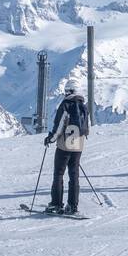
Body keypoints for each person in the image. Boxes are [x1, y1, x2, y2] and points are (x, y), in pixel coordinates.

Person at [43, 86, 89, 214]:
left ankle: (56, 204)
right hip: (78, 145)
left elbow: (59, 127)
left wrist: (50, 139)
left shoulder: (65, 105)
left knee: (58, 174)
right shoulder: (84, 107)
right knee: (74, 176)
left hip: (64, 145)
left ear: (68, 91)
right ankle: (73, 206)